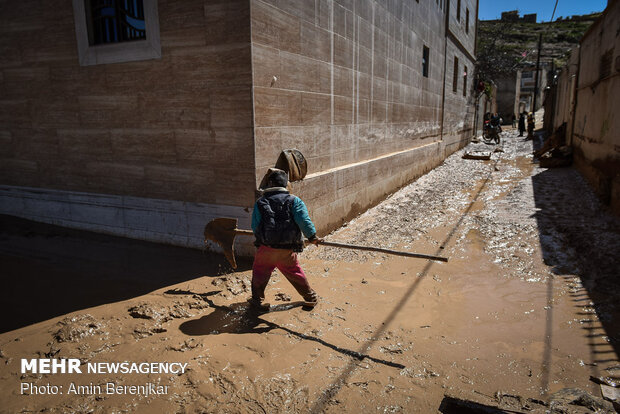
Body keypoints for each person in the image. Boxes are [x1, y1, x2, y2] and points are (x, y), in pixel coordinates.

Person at [249, 168, 320, 310]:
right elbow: (303, 221)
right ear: (285, 185)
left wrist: (261, 239)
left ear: (270, 184)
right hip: (287, 249)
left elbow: (254, 225)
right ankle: (310, 298)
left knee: (259, 273)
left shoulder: (260, 202)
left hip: (266, 248)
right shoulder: (295, 201)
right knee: (295, 272)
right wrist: (312, 237)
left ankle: (257, 300)